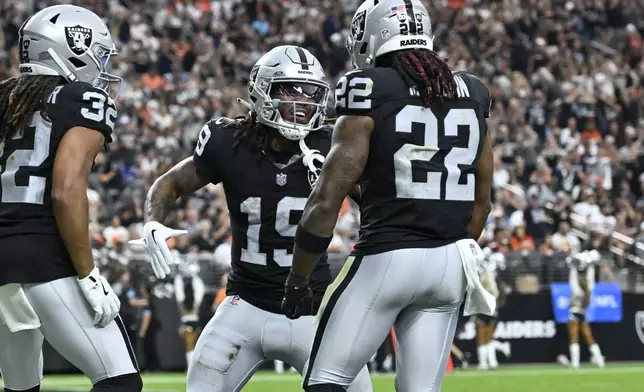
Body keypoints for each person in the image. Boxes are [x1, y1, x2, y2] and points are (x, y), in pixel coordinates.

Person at [280, 1, 497, 391]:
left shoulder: (367, 88)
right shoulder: (473, 91)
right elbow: (482, 201)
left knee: (325, 382)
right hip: (452, 264)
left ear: (372, 35)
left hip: (387, 257)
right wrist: (444, 246)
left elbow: (327, 198)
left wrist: (299, 276)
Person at [130, 45, 372, 392]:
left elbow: (377, 204)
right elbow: (168, 184)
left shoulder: (331, 143)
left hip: (312, 310)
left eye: (311, 94)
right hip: (246, 306)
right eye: (291, 91)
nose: (302, 104)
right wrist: (152, 221)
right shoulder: (228, 141)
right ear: (262, 91)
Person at [0, 5, 142, 392]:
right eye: (97, 54)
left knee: (20, 390)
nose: (101, 66)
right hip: (42, 256)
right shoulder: (81, 98)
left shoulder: (5, 99)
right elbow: (65, 190)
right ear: (70, 48)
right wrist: (88, 274)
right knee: (120, 381)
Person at [567, 250, 605, 369]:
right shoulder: (589, 290)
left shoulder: (576, 290)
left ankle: (575, 363)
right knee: (589, 337)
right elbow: (590, 281)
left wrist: (574, 267)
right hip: (582, 312)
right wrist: (590, 267)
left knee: (574, 337)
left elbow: (572, 279)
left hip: (574, 312)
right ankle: (600, 361)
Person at [475, 249, 507, 370]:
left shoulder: (487, 276)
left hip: (486, 307)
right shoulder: (493, 277)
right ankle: (490, 362)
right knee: (487, 335)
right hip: (492, 307)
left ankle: (485, 362)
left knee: (483, 335)